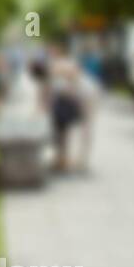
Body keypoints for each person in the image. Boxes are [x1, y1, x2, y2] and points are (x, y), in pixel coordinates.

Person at [43, 42, 85, 173]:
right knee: (57, 132)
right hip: (57, 101)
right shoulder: (51, 65)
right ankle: (59, 158)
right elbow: (47, 86)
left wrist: (62, 73)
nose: (51, 53)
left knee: (64, 132)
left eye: (53, 51)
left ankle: (62, 159)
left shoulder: (67, 64)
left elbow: (75, 78)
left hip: (66, 101)